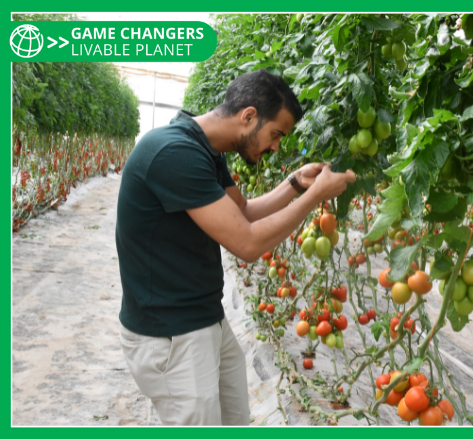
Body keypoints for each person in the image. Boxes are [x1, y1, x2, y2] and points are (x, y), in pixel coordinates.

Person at [115, 69, 355, 425]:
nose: (275, 147)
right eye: (275, 134)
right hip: (169, 335)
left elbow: (242, 212)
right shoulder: (173, 152)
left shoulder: (206, 150)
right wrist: (317, 196)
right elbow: (246, 242)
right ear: (248, 116)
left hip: (203, 318)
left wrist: (296, 184)